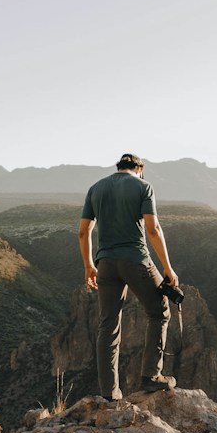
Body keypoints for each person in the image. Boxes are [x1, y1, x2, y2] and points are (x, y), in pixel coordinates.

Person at [79, 154, 180, 400]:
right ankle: (151, 376)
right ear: (139, 169)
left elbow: (83, 232)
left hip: (105, 265)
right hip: (136, 260)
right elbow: (153, 229)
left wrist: (89, 265)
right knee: (159, 311)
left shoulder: (96, 188)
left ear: (119, 168)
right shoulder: (143, 186)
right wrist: (168, 268)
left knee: (108, 325)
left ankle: (109, 393)